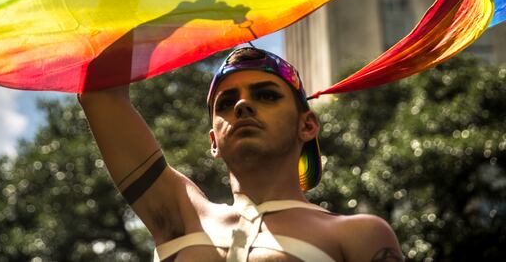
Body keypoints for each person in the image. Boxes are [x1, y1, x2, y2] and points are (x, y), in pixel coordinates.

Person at [79, 45, 404, 261]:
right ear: (213, 141)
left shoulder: (358, 235)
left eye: (266, 96)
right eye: (226, 102)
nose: (242, 105)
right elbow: (100, 95)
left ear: (307, 125)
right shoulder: (180, 217)